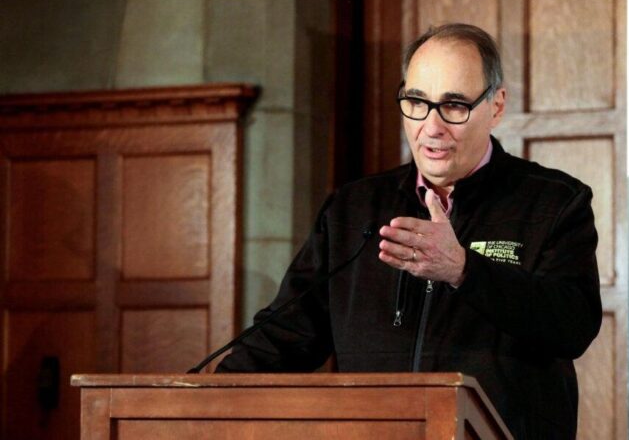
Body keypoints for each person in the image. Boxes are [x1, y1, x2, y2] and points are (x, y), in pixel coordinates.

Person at [217, 23, 602, 440]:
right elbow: (286, 336)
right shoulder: (354, 207)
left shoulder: (555, 202)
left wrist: (464, 270)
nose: (431, 126)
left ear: (496, 105)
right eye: (417, 101)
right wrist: (204, 398)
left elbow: (572, 326)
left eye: (454, 105)